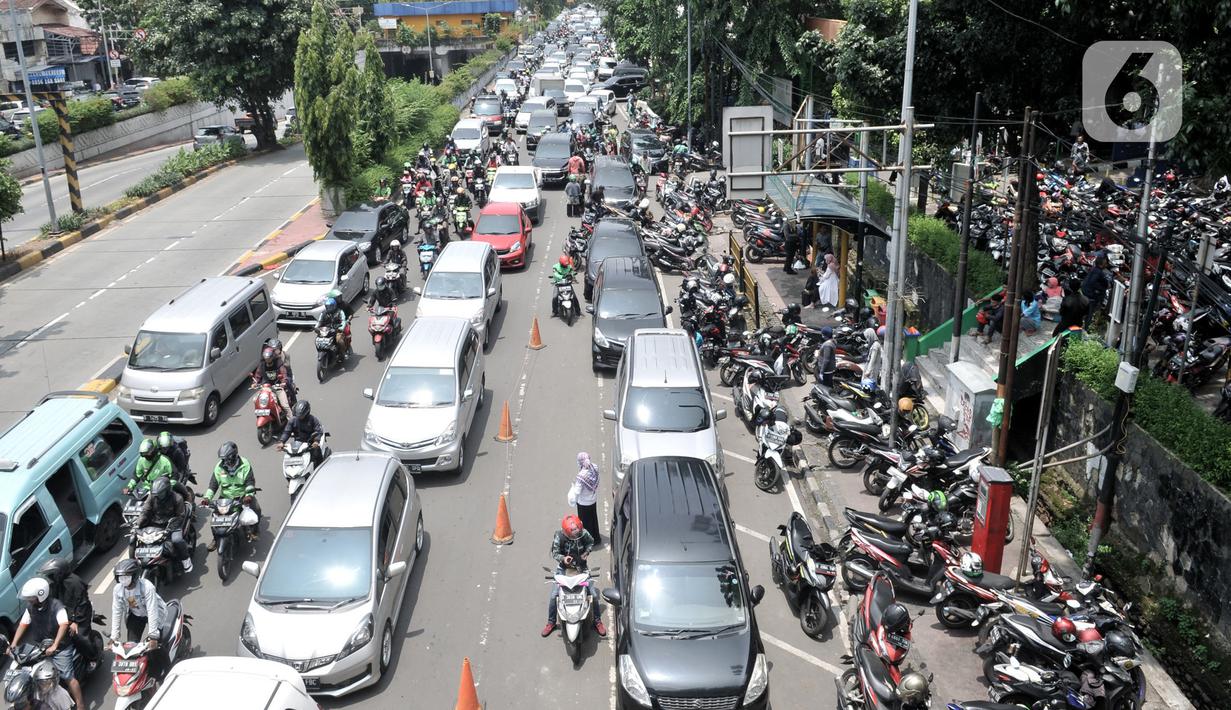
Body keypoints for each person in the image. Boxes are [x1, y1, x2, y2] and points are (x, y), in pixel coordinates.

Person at [8, 578, 84, 710]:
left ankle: (80, 704)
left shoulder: (56, 606)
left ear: (40, 595)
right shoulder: (31, 608)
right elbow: (23, 624)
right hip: (41, 647)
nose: (29, 600)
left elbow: (63, 625)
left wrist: (55, 645)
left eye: (31, 598)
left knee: (67, 676)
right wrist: (13, 644)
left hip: (61, 648)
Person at [541, 515, 605, 638]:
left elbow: (590, 543)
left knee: (594, 595)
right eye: (573, 535)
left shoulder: (584, 533)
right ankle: (551, 622)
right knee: (554, 596)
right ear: (566, 533)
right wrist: (563, 558)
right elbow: (555, 553)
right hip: (564, 569)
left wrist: (586, 552)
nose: (576, 536)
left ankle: (597, 621)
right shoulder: (559, 537)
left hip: (581, 569)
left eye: (578, 533)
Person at [108, 559, 170, 683]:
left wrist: (153, 636)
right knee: (131, 647)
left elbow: (152, 611)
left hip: (156, 614)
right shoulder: (118, 590)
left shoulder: (147, 587)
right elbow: (116, 611)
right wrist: (114, 636)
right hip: (136, 613)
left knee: (156, 647)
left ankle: (168, 671)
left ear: (135, 576)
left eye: (126, 577)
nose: (123, 580)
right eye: (121, 577)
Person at [38, 558, 98, 673]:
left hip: (80, 614)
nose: (50, 577)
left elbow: (82, 603)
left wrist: (76, 622)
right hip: (65, 614)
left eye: (52, 574)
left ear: (59, 572)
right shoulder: (55, 584)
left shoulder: (75, 582)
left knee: (79, 636)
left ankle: (93, 658)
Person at [203, 442, 260, 544]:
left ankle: (253, 531)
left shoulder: (245, 465)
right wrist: (207, 498)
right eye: (223, 459)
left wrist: (249, 495)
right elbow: (213, 485)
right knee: (215, 517)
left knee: (256, 509)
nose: (225, 461)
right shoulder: (219, 467)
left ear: (234, 456)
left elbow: (250, 481)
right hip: (225, 497)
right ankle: (216, 539)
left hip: (242, 496)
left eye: (227, 459)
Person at [134, 477, 194, 574]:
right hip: (156, 524)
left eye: (161, 494)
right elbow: (145, 511)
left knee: (176, 540)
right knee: (139, 538)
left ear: (167, 491)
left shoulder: (177, 498)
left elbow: (180, 517)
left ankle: (186, 561)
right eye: (156, 494)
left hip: (173, 525)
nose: (158, 497)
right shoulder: (152, 497)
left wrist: (169, 529)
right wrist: (138, 523)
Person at [278, 400, 327, 467]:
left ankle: (320, 470)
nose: (299, 417)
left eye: (301, 415)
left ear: (306, 413)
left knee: (317, 452)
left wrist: (316, 441)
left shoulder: (313, 420)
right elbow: (287, 432)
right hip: (298, 444)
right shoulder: (293, 420)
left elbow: (318, 431)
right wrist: (281, 441)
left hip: (311, 443)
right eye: (298, 415)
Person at [250, 343, 297, 410]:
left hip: (278, 386)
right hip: (266, 387)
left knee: (285, 406)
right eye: (266, 358)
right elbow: (258, 374)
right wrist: (255, 383)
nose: (267, 360)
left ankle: (292, 418)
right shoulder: (262, 364)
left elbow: (283, 372)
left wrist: (283, 381)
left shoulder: (278, 362)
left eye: (268, 358)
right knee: (255, 400)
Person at [568, 453, 601, 545]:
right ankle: (596, 539)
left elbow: (577, 492)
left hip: (583, 503)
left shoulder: (581, 476)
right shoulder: (594, 467)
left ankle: (588, 541)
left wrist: (573, 487)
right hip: (593, 499)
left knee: (585, 523)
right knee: (593, 519)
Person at [1081, 255, 1113, 328]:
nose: (1106, 264)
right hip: (1091, 296)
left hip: (1087, 293)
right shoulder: (1098, 272)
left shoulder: (1094, 270)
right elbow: (1093, 282)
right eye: (1105, 263)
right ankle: (1087, 328)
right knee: (1090, 313)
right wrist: (1100, 289)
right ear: (1101, 264)